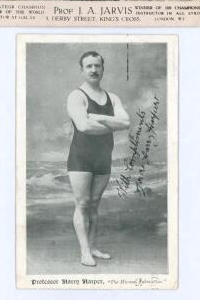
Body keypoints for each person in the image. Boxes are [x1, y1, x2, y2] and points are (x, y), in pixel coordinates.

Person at [66, 51, 130, 266]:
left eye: (97, 66)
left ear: (103, 68)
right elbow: (84, 126)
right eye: (89, 66)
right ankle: (85, 252)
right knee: (83, 203)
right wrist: (112, 124)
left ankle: (92, 247)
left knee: (94, 204)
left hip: (103, 157)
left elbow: (126, 123)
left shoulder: (113, 98)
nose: (94, 70)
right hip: (80, 158)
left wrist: (99, 118)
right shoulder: (76, 96)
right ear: (82, 70)